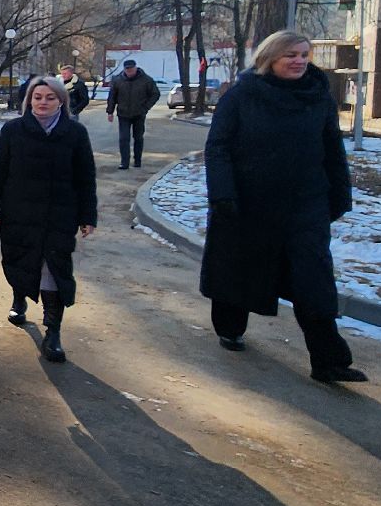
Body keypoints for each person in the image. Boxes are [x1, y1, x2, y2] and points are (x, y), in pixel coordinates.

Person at [199, 30, 367, 384]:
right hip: (248, 203)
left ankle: (329, 360)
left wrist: (339, 195)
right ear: (269, 57)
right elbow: (218, 148)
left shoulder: (317, 95)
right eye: (290, 54)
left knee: (314, 279)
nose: (299, 61)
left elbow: (332, 149)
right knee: (240, 270)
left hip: (305, 205)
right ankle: (230, 328)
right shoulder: (243, 95)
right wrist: (223, 195)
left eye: (304, 54)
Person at [0, 74, 98, 363]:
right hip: (18, 212)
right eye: (37, 97)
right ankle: (19, 297)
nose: (43, 102)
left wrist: (88, 215)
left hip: (59, 214)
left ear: (61, 101)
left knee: (54, 269)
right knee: (20, 260)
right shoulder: (13, 130)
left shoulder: (75, 133)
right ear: (29, 100)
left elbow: (86, 179)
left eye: (49, 97)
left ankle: (53, 331)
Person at [106, 58, 161, 170]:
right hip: (123, 113)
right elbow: (112, 97)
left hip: (139, 114)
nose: (129, 72)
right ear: (124, 70)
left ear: (135, 68)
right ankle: (124, 162)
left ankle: (137, 160)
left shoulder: (146, 80)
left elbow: (155, 94)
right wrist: (110, 112)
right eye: (127, 70)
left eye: (131, 69)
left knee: (138, 137)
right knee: (124, 138)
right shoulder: (117, 80)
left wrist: (146, 107)